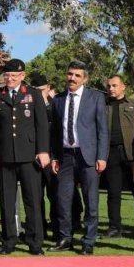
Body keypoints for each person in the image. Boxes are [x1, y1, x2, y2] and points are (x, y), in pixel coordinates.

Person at [0, 58, 50, 255]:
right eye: (7, 75)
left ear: (23, 76)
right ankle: (8, 240)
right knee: (7, 201)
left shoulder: (33, 94)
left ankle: (34, 241)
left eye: (14, 76)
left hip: (29, 156)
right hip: (5, 156)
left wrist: (43, 150)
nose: (10, 79)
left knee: (33, 200)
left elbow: (42, 125)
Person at [48, 61, 109, 256]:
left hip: (88, 156)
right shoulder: (58, 99)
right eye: (70, 74)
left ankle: (88, 241)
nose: (72, 78)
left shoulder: (96, 97)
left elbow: (103, 130)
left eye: (77, 75)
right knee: (62, 199)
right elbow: (54, 132)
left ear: (85, 79)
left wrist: (102, 156)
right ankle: (65, 238)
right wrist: (54, 156)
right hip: (65, 156)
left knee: (91, 200)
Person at [101, 75, 134, 240]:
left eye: (114, 85)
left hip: (132, 154)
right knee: (113, 193)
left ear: (123, 86)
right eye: (109, 86)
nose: (111, 89)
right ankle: (114, 227)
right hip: (110, 154)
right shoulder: (102, 105)